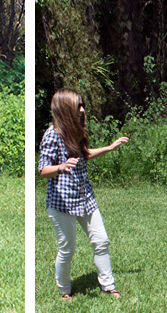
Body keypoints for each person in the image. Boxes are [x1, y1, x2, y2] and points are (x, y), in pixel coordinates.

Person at [38, 89, 129, 301]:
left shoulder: (76, 130)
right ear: (64, 108)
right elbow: (42, 170)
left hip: (85, 197)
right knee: (68, 248)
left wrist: (110, 147)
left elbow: (84, 155)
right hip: (61, 202)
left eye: (82, 105)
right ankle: (64, 290)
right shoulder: (52, 134)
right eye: (78, 105)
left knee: (101, 241)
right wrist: (61, 167)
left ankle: (108, 286)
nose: (82, 109)